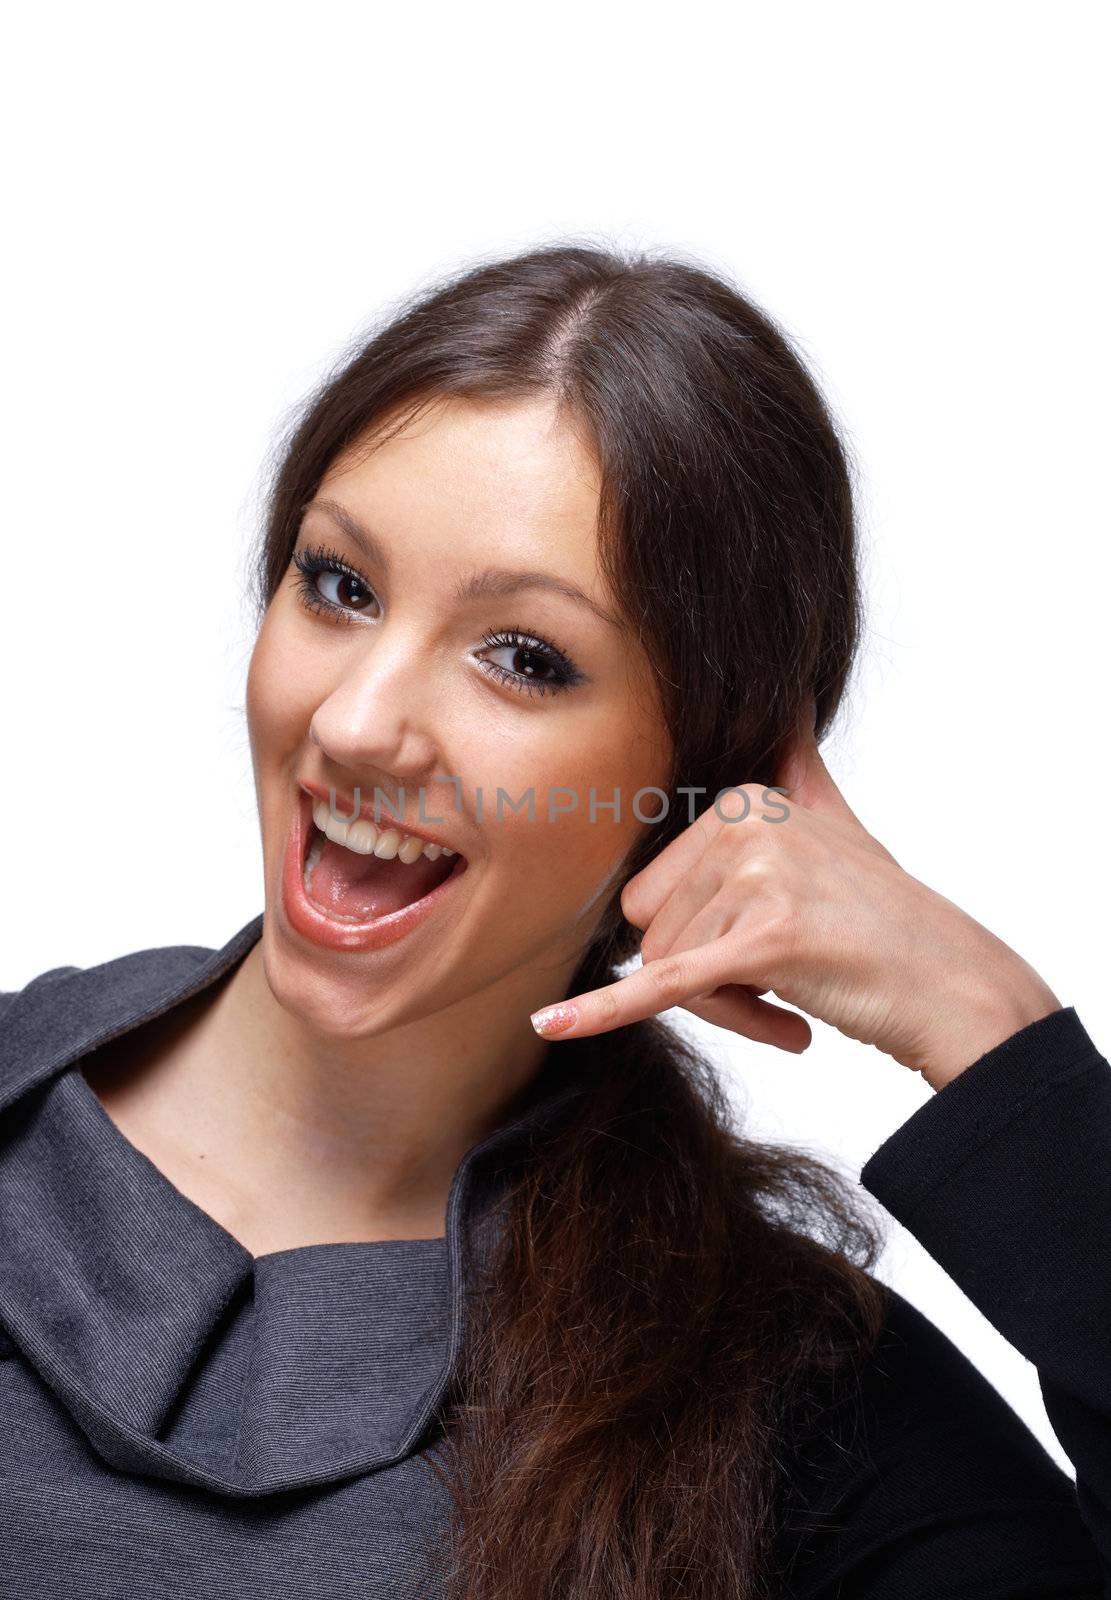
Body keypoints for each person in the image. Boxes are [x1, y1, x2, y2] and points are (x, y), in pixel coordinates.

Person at [0, 243, 1106, 1600]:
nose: (353, 723)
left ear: (703, 781)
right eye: (339, 584)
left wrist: (992, 1033)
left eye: (522, 657)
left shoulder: (778, 1404)